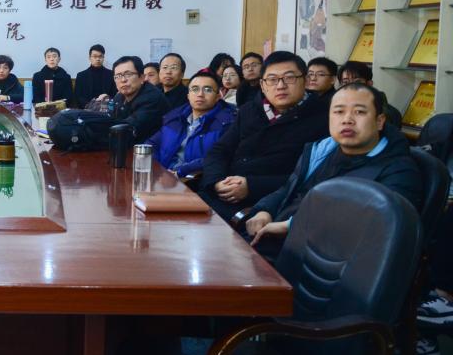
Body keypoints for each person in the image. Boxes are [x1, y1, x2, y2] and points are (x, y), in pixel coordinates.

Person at [244, 83, 421, 260]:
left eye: (359, 112)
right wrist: (265, 210)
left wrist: (291, 225)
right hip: (275, 242)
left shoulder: (399, 171)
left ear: (379, 121)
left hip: (318, 261)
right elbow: (289, 189)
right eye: (339, 112)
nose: (347, 119)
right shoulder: (321, 151)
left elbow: (376, 228)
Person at [200, 51, 329, 221]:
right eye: (272, 79)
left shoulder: (323, 118)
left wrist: (252, 187)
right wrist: (216, 182)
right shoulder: (248, 111)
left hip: (266, 208)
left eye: (289, 78)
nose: (280, 86)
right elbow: (219, 150)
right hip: (220, 194)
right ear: (262, 85)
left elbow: (311, 176)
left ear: (305, 80)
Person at [148, 70, 236, 178]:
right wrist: (157, 169)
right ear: (188, 95)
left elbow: (219, 157)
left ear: (218, 96)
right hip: (163, 177)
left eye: (208, 90)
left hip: (195, 180)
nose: (200, 94)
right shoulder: (175, 117)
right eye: (195, 89)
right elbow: (152, 144)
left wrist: (181, 171)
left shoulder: (227, 123)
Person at [107, 55, 170, 142]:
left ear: (142, 78)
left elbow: (128, 130)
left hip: (151, 147)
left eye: (128, 74)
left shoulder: (152, 98)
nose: (123, 80)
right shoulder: (119, 96)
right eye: (118, 76)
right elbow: (110, 118)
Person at [338, 60, 403, 128]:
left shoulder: (389, 113)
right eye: (345, 82)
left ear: (369, 84)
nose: (351, 86)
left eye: (357, 82)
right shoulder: (337, 108)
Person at [74, 44, 115, 108]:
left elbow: (114, 95)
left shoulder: (111, 74)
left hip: (107, 108)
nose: (98, 59)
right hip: (87, 109)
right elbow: (78, 97)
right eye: (95, 56)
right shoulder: (81, 76)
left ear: (103, 58)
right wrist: (90, 106)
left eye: (100, 56)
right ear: (89, 58)